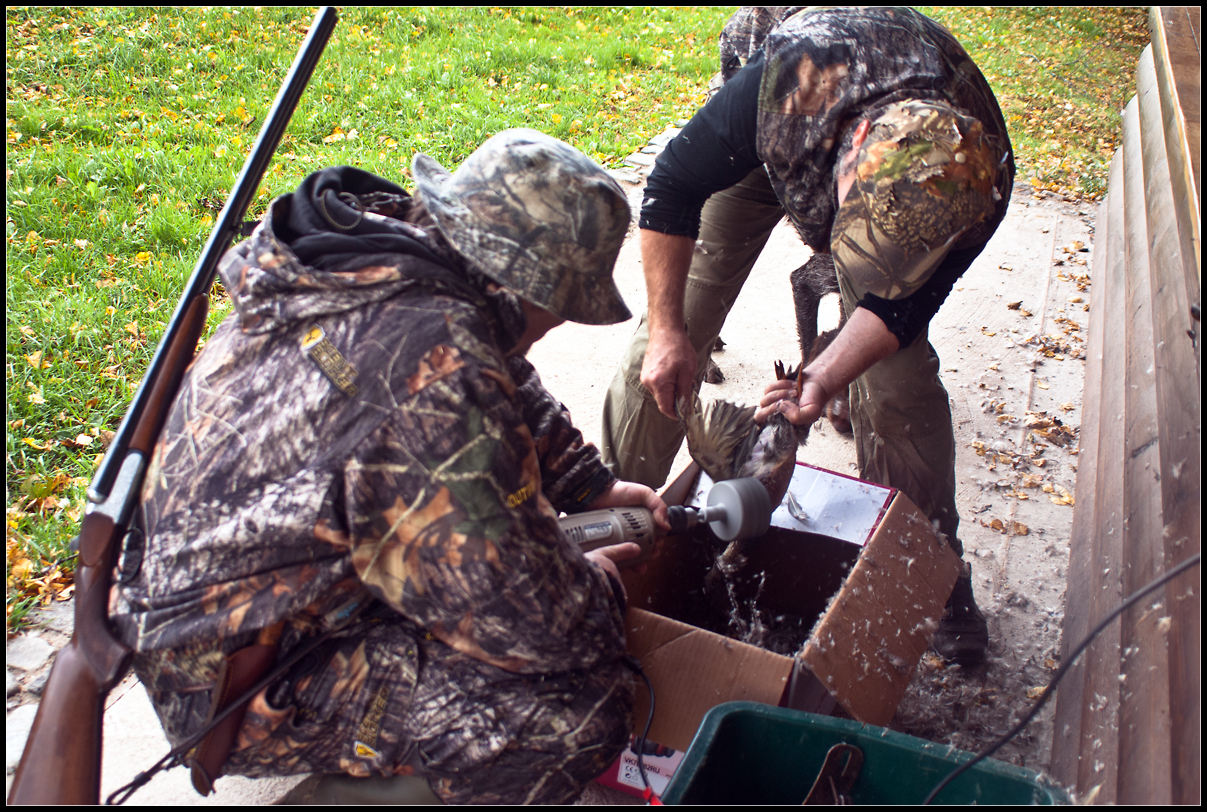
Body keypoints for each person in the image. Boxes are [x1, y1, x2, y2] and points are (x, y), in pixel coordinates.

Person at [110, 129, 667, 804]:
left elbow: (500, 369)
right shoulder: (435, 367)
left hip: (218, 599)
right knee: (577, 707)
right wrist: (596, 585)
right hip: (231, 675)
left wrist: (589, 483)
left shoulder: (382, 261)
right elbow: (531, 624)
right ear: (518, 283)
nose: (545, 334)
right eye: (551, 316)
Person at [599, 7, 1015, 667]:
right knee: (673, 328)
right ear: (853, 152)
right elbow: (671, 188)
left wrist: (822, 379)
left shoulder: (974, 182)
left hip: (888, 182)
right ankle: (617, 526)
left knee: (897, 382)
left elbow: (898, 313)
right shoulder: (791, 78)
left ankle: (931, 569)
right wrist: (670, 333)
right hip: (775, 136)